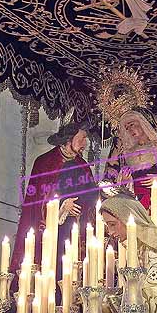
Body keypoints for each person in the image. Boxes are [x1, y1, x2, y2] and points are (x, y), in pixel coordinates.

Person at [10, 118, 98, 282]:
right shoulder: (44, 163)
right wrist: (63, 205)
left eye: (85, 139)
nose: (84, 143)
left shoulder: (83, 166)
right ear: (68, 139)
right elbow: (38, 201)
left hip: (75, 233)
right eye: (81, 139)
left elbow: (91, 196)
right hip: (50, 234)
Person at [104, 108, 157, 235]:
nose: (130, 130)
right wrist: (125, 183)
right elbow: (111, 182)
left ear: (143, 123)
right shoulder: (125, 153)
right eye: (127, 128)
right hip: (136, 205)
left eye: (132, 125)